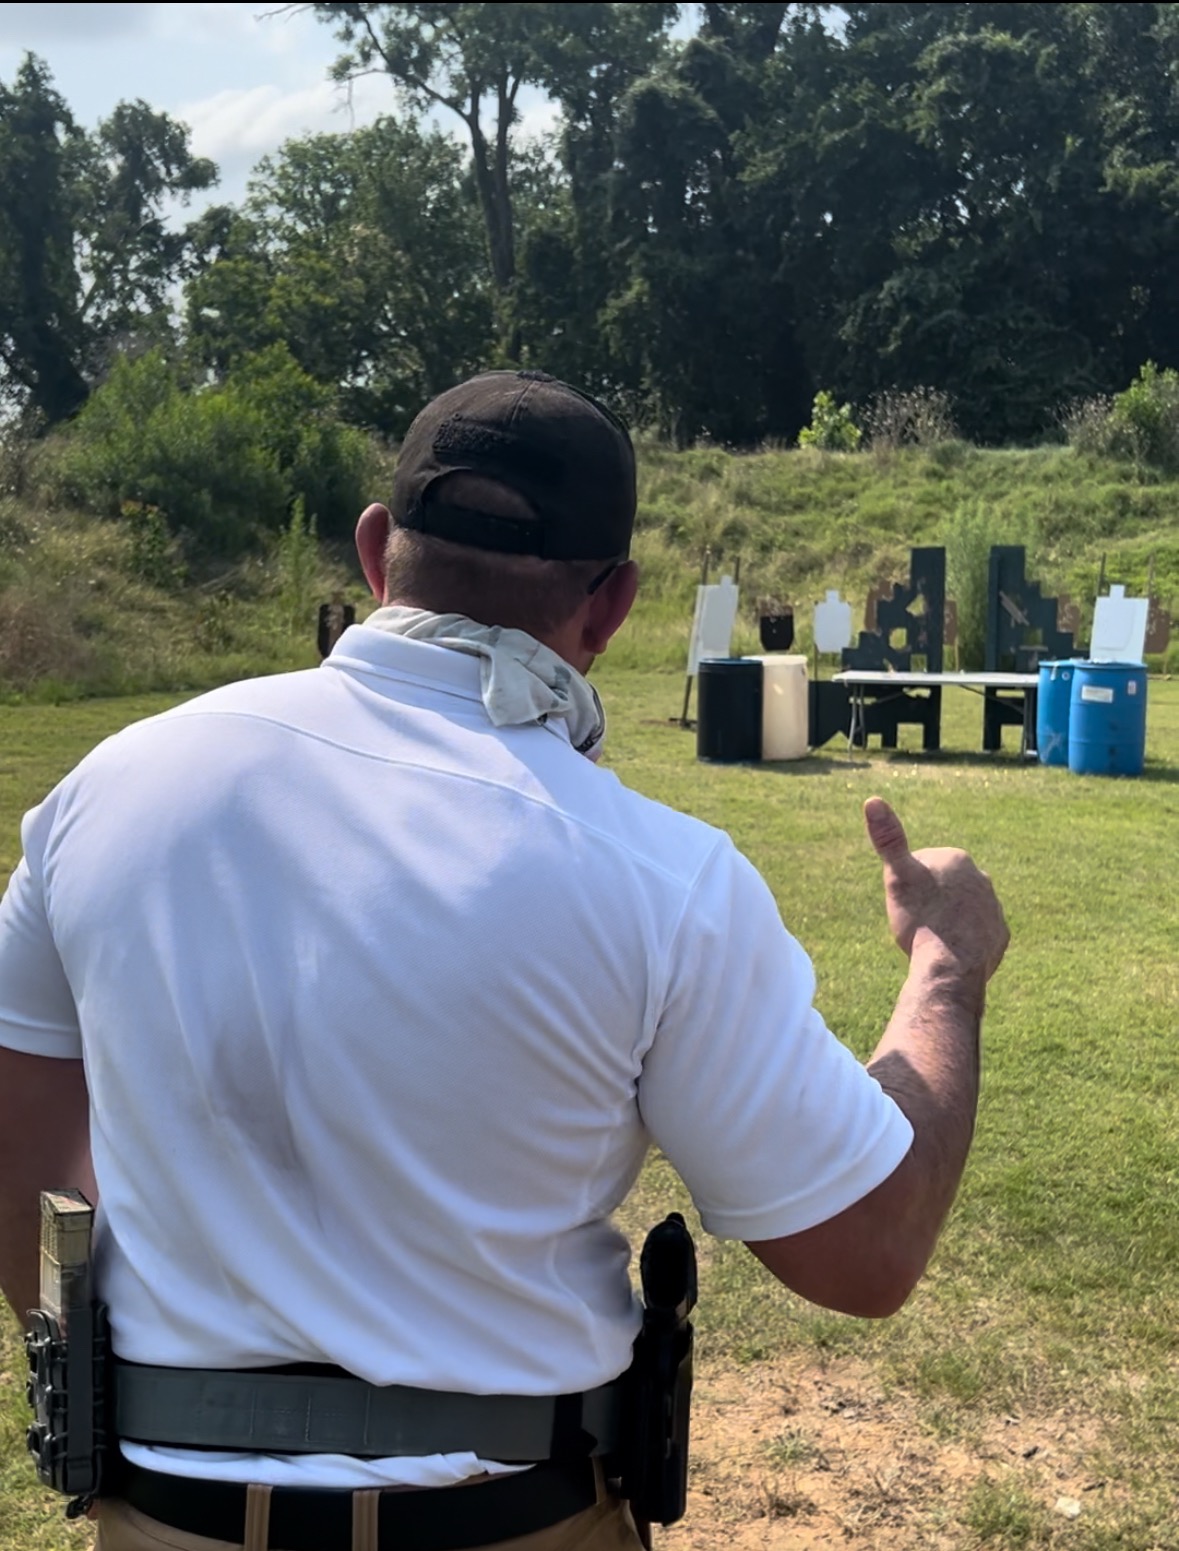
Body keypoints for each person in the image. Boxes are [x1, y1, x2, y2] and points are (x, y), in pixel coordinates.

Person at [0, 370, 1009, 1551]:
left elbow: (22, 1165)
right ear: (612, 605)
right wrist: (944, 967)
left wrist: (122, 1401)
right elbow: (867, 1250)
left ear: (375, 553)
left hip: (170, 1514)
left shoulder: (106, 792)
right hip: (511, 1517)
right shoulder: (660, 875)